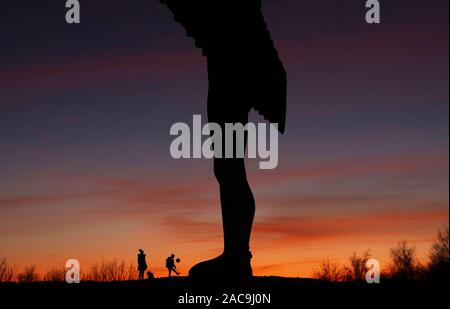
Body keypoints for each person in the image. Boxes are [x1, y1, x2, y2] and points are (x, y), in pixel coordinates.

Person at [160, 0, 287, 279]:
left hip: (236, 63)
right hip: (230, 62)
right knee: (227, 166)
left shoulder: (237, 17)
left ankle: (237, 256)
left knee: (229, 166)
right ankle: (235, 253)